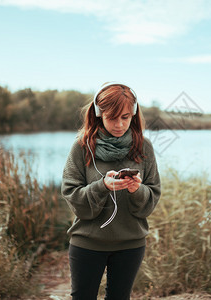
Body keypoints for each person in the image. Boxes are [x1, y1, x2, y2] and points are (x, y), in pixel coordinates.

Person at [61, 82, 161, 300]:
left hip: (130, 244)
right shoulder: (81, 146)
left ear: (133, 115)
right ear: (98, 114)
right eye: (112, 117)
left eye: (125, 117)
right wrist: (102, 186)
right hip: (87, 243)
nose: (119, 124)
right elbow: (72, 196)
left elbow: (152, 196)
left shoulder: (144, 147)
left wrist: (138, 190)